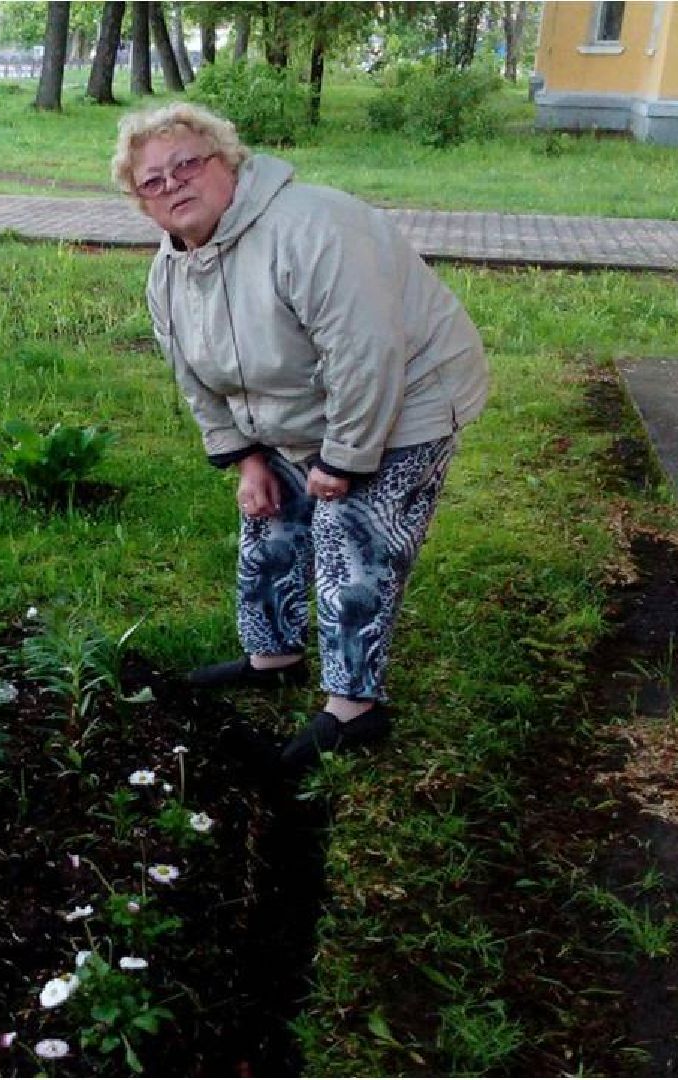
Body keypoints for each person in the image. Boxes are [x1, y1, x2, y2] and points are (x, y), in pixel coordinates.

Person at [112, 103, 490, 771]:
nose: (171, 185)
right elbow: (195, 379)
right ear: (141, 204)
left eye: (187, 164)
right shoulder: (168, 273)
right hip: (296, 418)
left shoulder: (311, 227)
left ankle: (354, 708)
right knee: (268, 522)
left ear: (228, 165)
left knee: (352, 542)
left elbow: (365, 352)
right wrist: (249, 460)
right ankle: (274, 659)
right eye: (152, 181)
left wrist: (342, 462)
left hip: (406, 399)